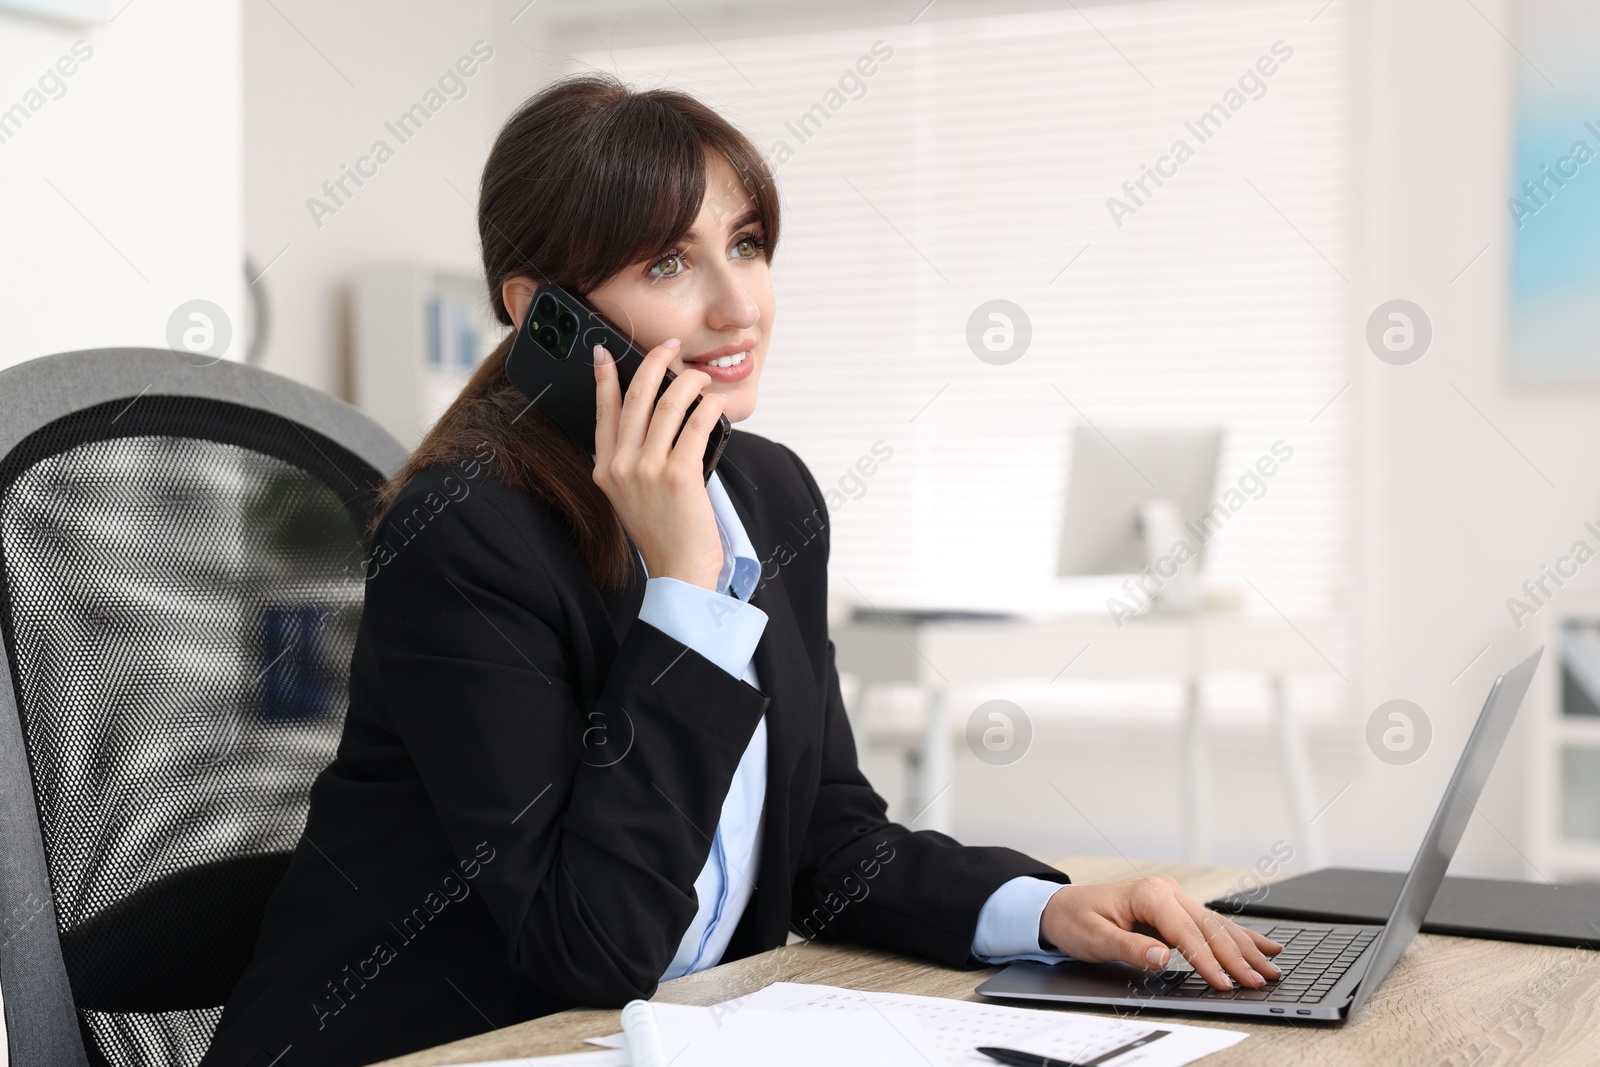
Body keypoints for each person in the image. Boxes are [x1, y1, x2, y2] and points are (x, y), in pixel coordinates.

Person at [202, 72, 1280, 1067]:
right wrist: (683, 589)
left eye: (748, 243)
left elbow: (829, 841)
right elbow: (591, 943)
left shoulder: (768, 495)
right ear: (543, 313)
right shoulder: (465, 533)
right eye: (667, 263)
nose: (738, 305)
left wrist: (1040, 911)